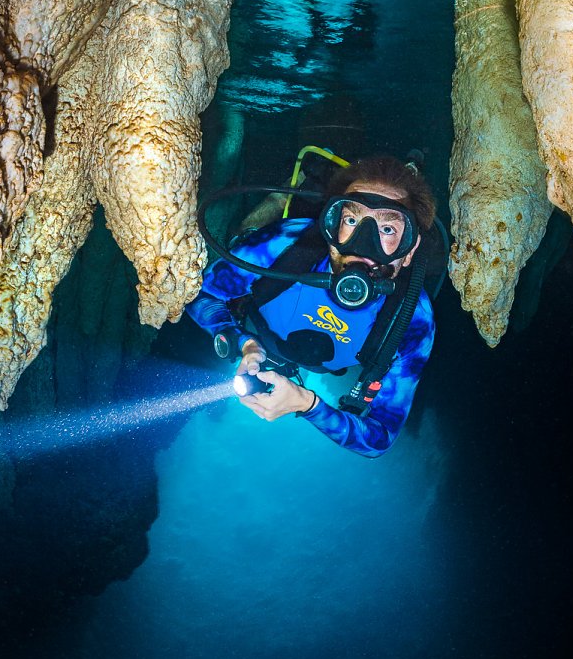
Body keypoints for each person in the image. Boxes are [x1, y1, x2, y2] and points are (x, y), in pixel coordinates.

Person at [186, 155, 437, 457]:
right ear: (331, 226)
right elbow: (200, 293)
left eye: (387, 229)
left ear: (409, 251)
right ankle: (283, 195)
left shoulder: (412, 321)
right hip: (261, 291)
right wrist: (244, 342)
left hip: (299, 351)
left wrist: (308, 404)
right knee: (247, 233)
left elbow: (379, 438)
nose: (362, 244)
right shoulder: (285, 242)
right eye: (352, 220)